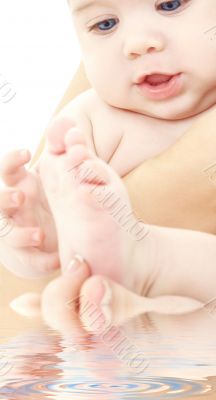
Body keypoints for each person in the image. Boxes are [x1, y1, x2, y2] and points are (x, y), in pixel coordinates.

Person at [1, 0, 216, 306]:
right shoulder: (90, 121)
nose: (138, 44)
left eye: (170, 5)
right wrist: (35, 234)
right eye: (106, 24)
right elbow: (51, 236)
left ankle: (152, 261)